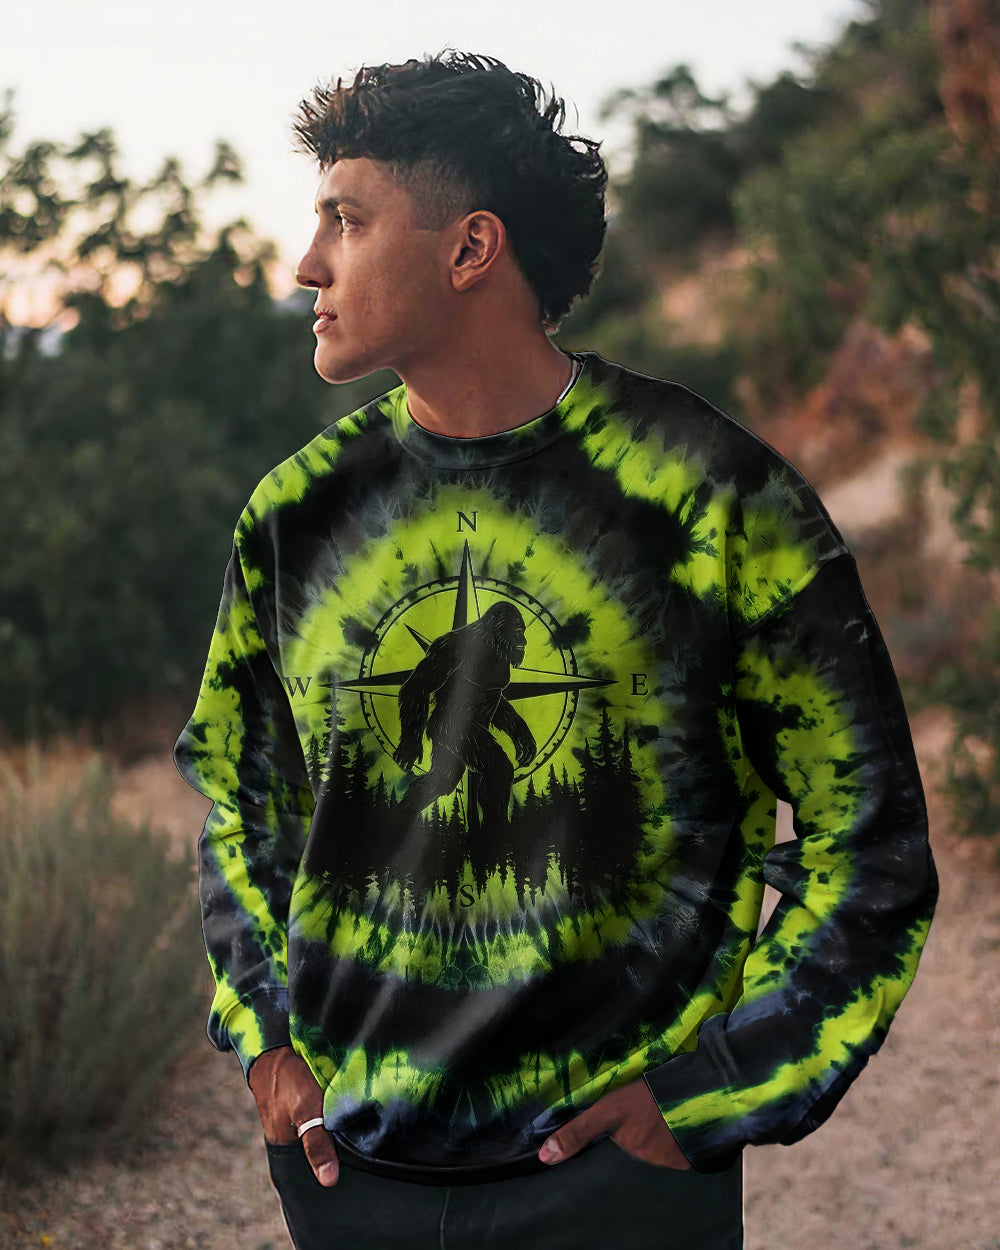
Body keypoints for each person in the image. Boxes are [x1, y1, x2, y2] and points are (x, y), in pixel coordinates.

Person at [174, 52, 937, 1250]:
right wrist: (270, 1046)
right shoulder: (296, 514)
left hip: (616, 1186)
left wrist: (718, 1086)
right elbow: (239, 807)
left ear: (470, 249)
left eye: (346, 220)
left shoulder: (708, 495)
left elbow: (871, 840)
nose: (307, 263)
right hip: (348, 1177)